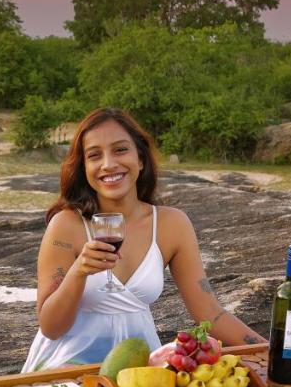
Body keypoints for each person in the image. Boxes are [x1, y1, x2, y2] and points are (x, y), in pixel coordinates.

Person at [23, 107, 264, 372]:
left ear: (140, 159)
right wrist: (78, 273)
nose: (108, 164)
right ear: (84, 168)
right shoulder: (66, 225)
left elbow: (209, 312)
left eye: (120, 150)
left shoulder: (172, 225)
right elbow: (51, 327)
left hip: (137, 369)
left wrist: (268, 352)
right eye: (94, 155)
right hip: (67, 368)